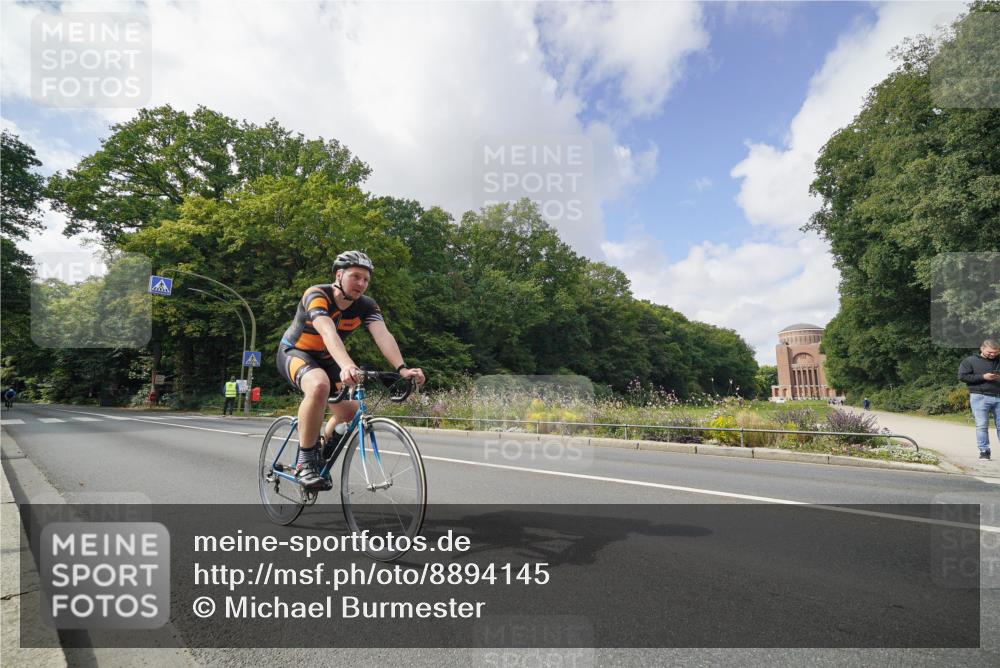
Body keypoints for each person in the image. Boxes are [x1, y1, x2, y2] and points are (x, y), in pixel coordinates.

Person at [276, 250, 425, 488]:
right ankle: (305, 461)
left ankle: (321, 454)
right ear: (339, 275)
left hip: (329, 358)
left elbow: (383, 335)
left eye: (366, 279)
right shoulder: (316, 294)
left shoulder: (367, 305)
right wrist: (347, 365)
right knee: (319, 385)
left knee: (349, 412)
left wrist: (402, 368)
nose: (361, 284)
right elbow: (327, 332)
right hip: (295, 353)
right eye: (356, 276)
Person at [958, 339, 1000, 461]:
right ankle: (984, 451)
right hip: (979, 397)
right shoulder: (970, 361)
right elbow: (962, 376)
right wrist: (983, 377)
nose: (993, 354)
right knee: (982, 425)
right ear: (982, 348)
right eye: (990, 352)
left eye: (996, 352)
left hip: (999, 396)